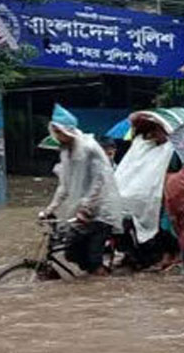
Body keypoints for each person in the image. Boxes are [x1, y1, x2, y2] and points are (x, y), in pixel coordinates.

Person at [39, 104, 122, 276]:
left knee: (93, 257)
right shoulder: (66, 151)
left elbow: (99, 181)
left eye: (59, 131)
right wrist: (49, 209)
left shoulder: (88, 148)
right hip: (82, 211)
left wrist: (85, 208)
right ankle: (92, 280)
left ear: (67, 130)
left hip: (102, 210)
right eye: (55, 131)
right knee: (71, 253)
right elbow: (64, 186)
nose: (57, 136)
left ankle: (103, 280)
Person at [115, 117, 181, 271]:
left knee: (164, 226)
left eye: (156, 131)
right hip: (138, 196)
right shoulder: (141, 146)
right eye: (151, 131)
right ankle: (135, 255)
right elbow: (130, 169)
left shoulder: (172, 150)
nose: (152, 135)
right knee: (123, 225)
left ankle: (170, 254)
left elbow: (168, 172)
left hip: (164, 193)